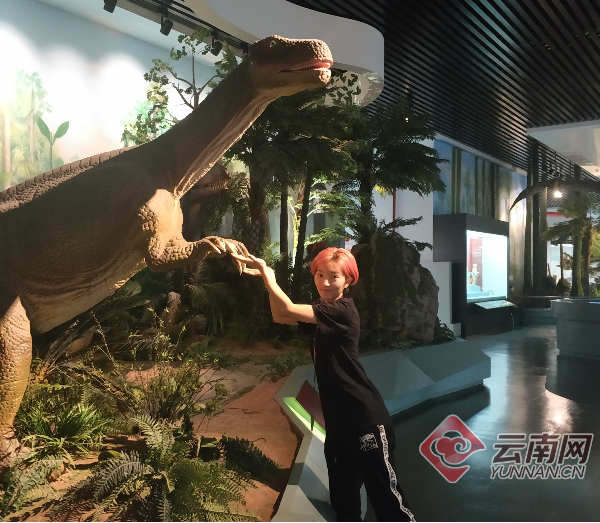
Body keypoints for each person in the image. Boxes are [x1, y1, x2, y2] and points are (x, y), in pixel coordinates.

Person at [231, 247, 416, 522]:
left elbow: (288, 308)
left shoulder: (342, 310)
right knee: (344, 504)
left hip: (364, 419)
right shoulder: (323, 311)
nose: (325, 282)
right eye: (319, 275)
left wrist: (268, 274)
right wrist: (267, 281)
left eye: (334, 276)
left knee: (389, 503)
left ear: (349, 280)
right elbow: (281, 315)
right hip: (338, 425)